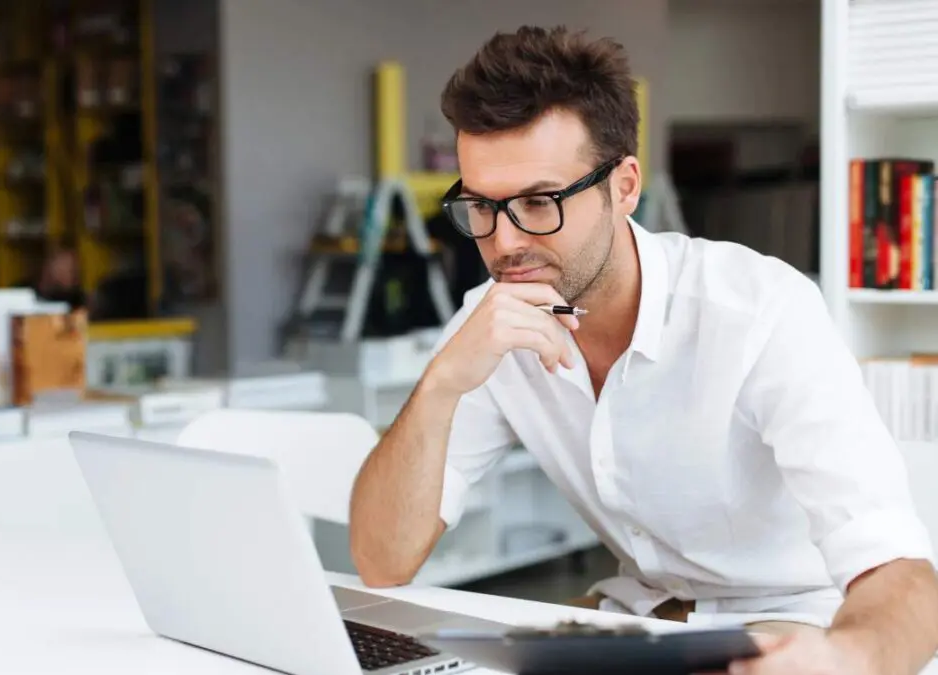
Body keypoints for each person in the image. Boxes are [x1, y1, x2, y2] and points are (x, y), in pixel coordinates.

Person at [348, 25, 938, 675]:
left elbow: (902, 574)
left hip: (791, 622)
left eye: (540, 201)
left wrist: (846, 657)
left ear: (624, 186)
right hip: (637, 620)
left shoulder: (762, 311)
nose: (505, 241)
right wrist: (441, 384)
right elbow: (382, 559)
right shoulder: (491, 321)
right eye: (481, 206)